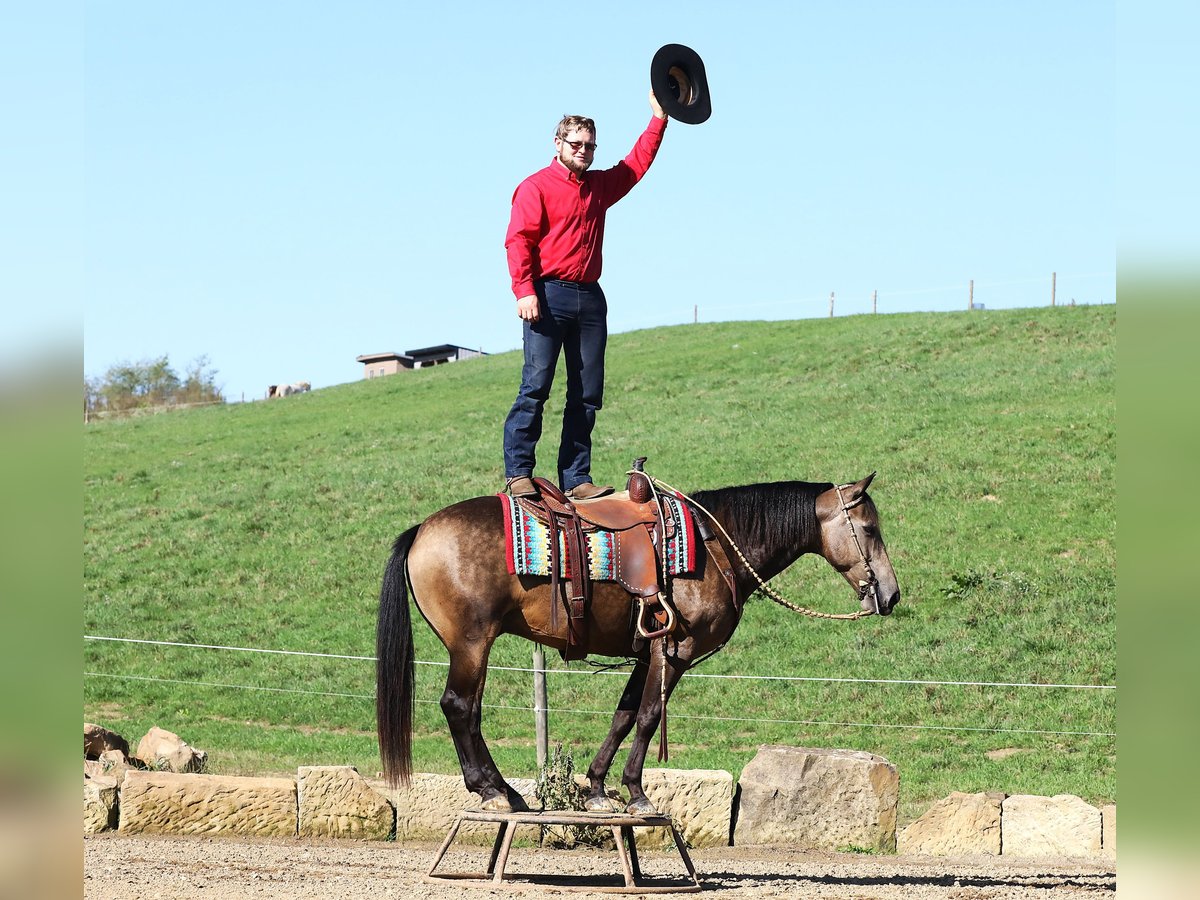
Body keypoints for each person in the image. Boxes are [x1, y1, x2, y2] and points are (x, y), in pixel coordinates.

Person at [502, 92, 668, 500]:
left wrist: (659, 120)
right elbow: (518, 240)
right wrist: (525, 290)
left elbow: (634, 166)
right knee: (536, 385)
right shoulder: (535, 187)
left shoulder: (598, 187)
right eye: (576, 144)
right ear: (557, 143)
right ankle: (519, 472)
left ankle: (576, 479)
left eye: (590, 146)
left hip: (590, 298)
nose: (584, 151)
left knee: (586, 393)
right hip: (546, 294)